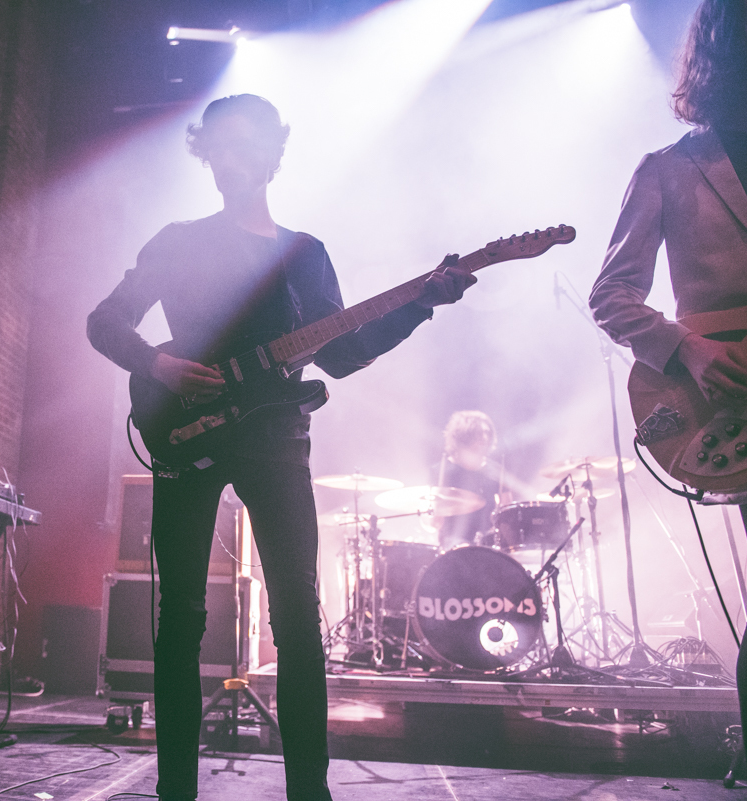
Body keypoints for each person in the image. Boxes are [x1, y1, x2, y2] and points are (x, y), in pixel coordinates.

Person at [87, 94, 475, 801]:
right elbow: (105, 321)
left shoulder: (305, 254)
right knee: (180, 618)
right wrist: (157, 364)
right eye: (218, 148)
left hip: (276, 437)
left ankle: (309, 792)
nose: (229, 161)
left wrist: (421, 302)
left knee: (297, 616)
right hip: (185, 428)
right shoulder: (178, 238)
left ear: (271, 154)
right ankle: (174, 788)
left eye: (244, 146)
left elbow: (345, 352)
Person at [589, 0, 747, 791]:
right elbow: (613, 295)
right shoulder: (671, 166)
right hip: (736, 403)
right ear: (727, 40)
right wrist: (686, 348)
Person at [430, 410, 503, 550]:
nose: (484, 437)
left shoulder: (495, 471)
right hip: (453, 542)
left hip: (489, 541)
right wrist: (434, 519)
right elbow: (433, 517)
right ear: (464, 436)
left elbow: (508, 511)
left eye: (487, 433)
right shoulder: (442, 471)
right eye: (479, 433)